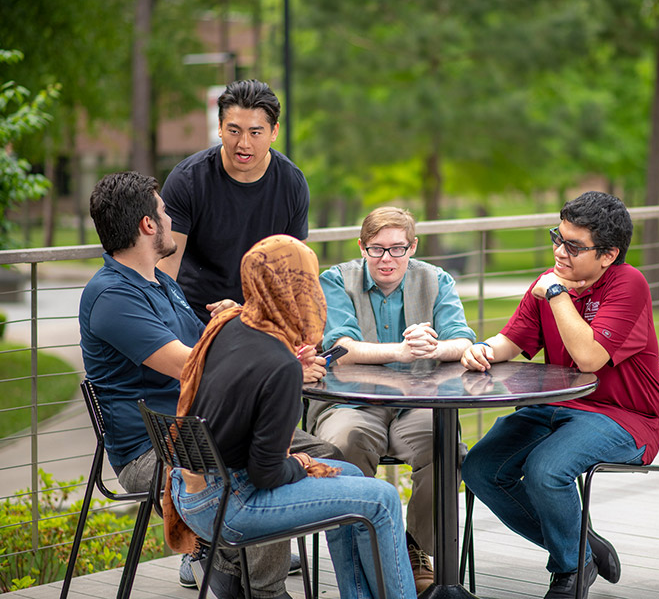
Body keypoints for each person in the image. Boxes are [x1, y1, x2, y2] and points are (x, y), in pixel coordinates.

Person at [79, 172, 340, 599]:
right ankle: (260, 586)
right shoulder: (112, 297)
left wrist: (254, 333)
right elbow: (192, 366)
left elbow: (215, 351)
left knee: (325, 454)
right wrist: (278, 363)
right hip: (155, 448)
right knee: (259, 463)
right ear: (148, 225)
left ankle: (232, 563)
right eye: (163, 211)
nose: (169, 218)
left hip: (204, 425)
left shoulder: (161, 283)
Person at [164, 234, 417, 599]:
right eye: (309, 280)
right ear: (297, 288)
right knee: (382, 498)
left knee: (350, 474)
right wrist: (301, 461)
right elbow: (265, 474)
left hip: (191, 487)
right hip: (232, 504)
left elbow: (246, 389)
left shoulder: (231, 323)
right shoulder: (279, 365)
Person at [460, 191, 659, 599]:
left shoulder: (628, 283)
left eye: (574, 246)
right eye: (558, 237)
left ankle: (570, 572)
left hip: (623, 417)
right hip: (555, 408)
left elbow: (590, 357)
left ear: (607, 255)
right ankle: (581, 546)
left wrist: (556, 294)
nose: (559, 250)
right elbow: (511, 341)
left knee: (546, 471)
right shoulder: (549, 281)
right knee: (480, 468)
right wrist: (482, 349)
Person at [309, 206, 476, 593]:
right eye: (377, 249)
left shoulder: (436, 279)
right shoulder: (335, 280)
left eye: (397, 249)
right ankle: (365, 551)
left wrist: (432, 347)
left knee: (443, 443)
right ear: (361, 247)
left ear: (412, 247)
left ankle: (414, 546)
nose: (387, 259)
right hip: (350, 403)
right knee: (342, 443)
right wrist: (400, 351)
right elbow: (340, 347)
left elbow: (463, 341)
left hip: (416, 402)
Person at [158, 79, 309, 324]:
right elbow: (165, 268)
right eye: (234, 130)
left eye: (255, 132)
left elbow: (293, 274)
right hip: (193, 317)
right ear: (219, 127)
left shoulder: (292, 183)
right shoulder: (187, 180)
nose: (244, 144)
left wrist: (249, 311)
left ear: (274, 132)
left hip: (260, 316)